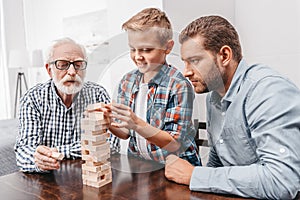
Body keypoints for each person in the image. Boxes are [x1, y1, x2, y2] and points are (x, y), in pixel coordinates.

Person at [164, 15, 300, 199]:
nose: (186, 72)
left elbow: (282, 181)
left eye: (194, 61)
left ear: (225, 56)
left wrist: (195, 175)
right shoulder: (214, 96)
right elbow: (218, 158)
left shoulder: (268, 91)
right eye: (185, 62)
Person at [107, 8, 201, 166]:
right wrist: (108, 122)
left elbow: (173, 143)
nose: (138, 56)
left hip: (177, 168)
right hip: (142, 166)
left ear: (168, 47)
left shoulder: (178, 85)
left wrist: (136, 123)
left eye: (147, 50)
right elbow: (124, 133)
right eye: (133, 49)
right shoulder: (127, 81)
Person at [15, 37, 110, 173]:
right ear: (49, 70)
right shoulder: (33, 99)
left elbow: (110, 144)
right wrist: (39, 160)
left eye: (78, 64)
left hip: (89, 175)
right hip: (47, 181)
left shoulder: (98, 94)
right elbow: (24, 151)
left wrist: (60, 151)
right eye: (63, 64)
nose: (72, 72)